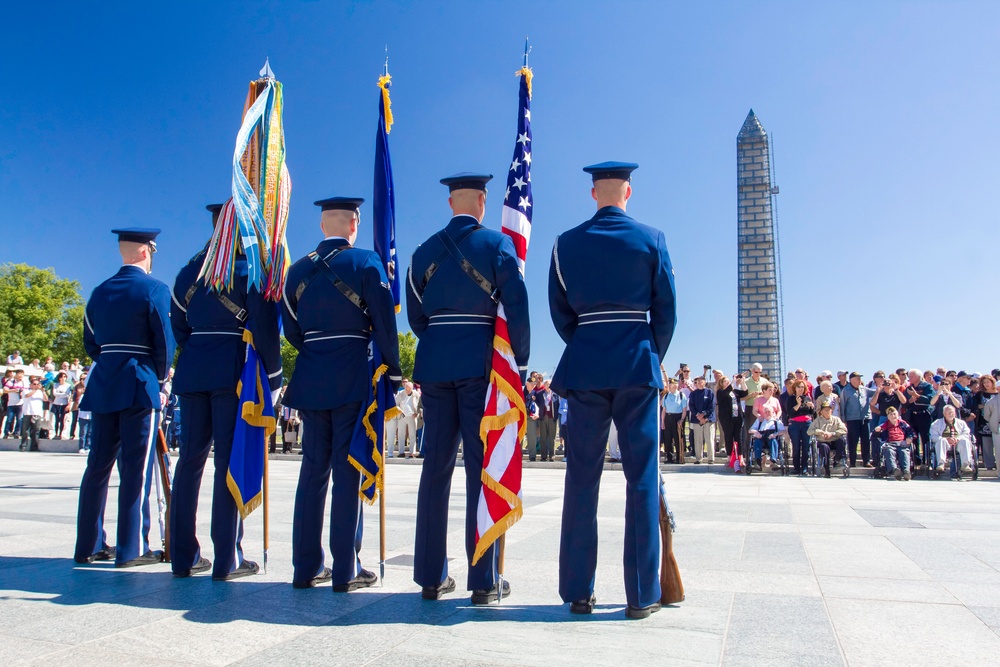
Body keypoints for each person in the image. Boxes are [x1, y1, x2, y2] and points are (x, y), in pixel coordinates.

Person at [548, 161, 676, 619]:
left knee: (581, 477)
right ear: (628, 191)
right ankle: (641, 595)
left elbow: (560, 312)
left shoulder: (565, 244)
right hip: (636, 363)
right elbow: (667, 312)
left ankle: (578, 591)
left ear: (592, 194)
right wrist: (646, 352)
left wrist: (588, 344)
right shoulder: (651, 239)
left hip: (584, 365)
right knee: (641, 477)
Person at [405, 173, 529, 604]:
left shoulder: (422, 253)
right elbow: (516, 302)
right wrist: (521, 360)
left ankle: (430, 577)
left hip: (436, 364)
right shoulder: (497, 245)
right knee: (482, 469)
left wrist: (441, 338)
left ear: (449, 203)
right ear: (480, 200)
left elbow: (416, 318)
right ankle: (484, 581)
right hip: (482, 366)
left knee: (435, 468)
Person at [283, 196, 401, 591]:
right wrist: (393, 372)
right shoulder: (366, 262)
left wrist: (319, 351)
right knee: (348, 471)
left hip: (312, 375)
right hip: (352, 375)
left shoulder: (296, 271)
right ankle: (346, 568)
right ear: (354, 225)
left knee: (312, 473)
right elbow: (384, 322)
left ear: (322, 227)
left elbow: (292, 330)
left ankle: (305, 567)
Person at [168, 202, 283, 580]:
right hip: (233, 369)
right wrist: (274, 376)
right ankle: (226, 558)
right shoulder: (250, 267)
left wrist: (200, 345)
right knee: (226, 463)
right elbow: (265, 328)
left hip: (194, 367)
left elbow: (179, 323)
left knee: (189, 463)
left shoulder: (190, 269)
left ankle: (182, 556)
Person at [74, 227, 175, 567]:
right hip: (138, 382)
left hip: (104, 382)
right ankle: (131, 547)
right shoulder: (154, 289)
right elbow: (164, 340)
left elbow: (90, 341)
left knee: (97, 468)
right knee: (136, 469)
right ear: (147, 251)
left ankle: (88, 544)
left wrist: (109, 361)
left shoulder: (99, 292)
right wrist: (161, 380)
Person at [841, 372, 875, 468]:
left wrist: (881, 387)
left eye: (860, 378)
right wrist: (843, 419)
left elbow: (875, 392)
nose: (859, 380)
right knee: (853, 441)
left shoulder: (864, 389)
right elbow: (842, 404)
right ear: (851, 379)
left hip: (865, 418)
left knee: (866, 440)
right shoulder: (846, 390)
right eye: (857, 378)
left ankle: (866, 461)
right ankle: (852, 461)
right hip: (852, 419)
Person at [807, 399, 848, 476]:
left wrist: (832, 434)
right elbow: (809, 431)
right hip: (823, 441)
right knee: (824, 447)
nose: (827, 411)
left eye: (829, 410)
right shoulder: (817, 421)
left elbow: (844, 430)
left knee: (842, 440)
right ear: (821, 412)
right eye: (825, 410)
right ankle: (827, 469)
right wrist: (820, 432)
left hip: (834, 440)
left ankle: (837, 460)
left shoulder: (836, 420)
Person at [873, 406, 915, 480]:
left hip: (902, 443)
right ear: (888, 417)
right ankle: (894, 470)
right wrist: (876, 431)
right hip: (890, 444)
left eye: (894, 414)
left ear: (898, 415)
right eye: (891, 415)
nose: (893, 416)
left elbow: (911, 432)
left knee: (904, 452)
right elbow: (874, 436)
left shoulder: (903, 424)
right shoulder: (884, 426)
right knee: (888, 451)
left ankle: (906, 472)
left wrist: (910, 437)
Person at [930, 404, 974, 474]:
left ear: (955, 413)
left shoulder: (961, 423)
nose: (951, 414)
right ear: (944, 414)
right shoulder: (936, 423)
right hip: (944, 444)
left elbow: (966, 433)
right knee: (942, 440)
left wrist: (958, 439)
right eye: (948, 412)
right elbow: (933, 436)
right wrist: (946, 439)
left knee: (965, 441)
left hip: (957, 443)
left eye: (952, 412)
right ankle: (941, 464)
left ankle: (965, 465)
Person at [904, 369, 935, 466]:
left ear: (918, 377)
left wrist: (916, 396)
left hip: (924, 415)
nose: (910, 378)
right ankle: (916, 460)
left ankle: (927, 460)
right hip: (912, 415)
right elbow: (904, 403)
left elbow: (930, 400)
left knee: (925, 438)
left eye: (912, 376)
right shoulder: (909, 388)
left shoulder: (927, 386)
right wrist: (911, 400)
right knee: (913, 438)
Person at [785, 380, 815, 475]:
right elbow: (789, 413)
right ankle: (796, 468)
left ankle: (805, 468)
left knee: (806, 446)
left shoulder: (807, 398)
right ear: (795, 388)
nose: (801, 389)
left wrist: (812, 407)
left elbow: (811, 413)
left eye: (802, 387)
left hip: (806, 423)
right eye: (799, 387)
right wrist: (798, 404)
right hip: (795, 424)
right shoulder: (790, 399)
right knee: (796, 447)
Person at [715, 375, 746, 458]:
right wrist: (733, 381)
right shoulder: (720, 392)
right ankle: (730, 456)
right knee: (728, 437)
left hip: (737, 417)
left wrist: (743, 382)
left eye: (728, 381)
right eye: (725, 381)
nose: (727, 382)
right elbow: (726, 392)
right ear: (721, 383)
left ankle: (740, 456)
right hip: (727, 419)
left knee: (738, 437)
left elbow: (745, 392)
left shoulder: (734, 391)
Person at [688, 375, 716, 464]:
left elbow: (712, 406)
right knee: (698, 440)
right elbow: (691, 406)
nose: (699, 383)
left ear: (705, 382)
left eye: (701, 381)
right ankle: (698, 458)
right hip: (697, 420)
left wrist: (704, 415)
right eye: (698, 382)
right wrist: (698, 415)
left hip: (708, 420)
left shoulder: (709, 392)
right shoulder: (693, 394)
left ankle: (711, 458)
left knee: (709, 440)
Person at [747, 405, 785, 470]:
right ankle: (758, 462)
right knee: (757, 441)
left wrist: (775, 434)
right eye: (766, 412)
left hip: (771, 438)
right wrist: (756, 432)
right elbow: (750, 430)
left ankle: (773, 462)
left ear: (773, 412)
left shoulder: (776, 421)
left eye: (769, 411)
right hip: (761, 437)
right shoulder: (760, 420)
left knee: (773, 441)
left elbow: (784, 431)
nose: (767, 413)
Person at [391, 379, 420, 458]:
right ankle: (401, 452)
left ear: (411, 388)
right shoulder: (401, 393)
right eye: (405, 388)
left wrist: (416, 413)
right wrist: (399, 411)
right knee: (401, 434)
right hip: (402, 416)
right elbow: (396, 403)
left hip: (412, 416)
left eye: (408, 389)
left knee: (412, 434)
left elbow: (419, 404)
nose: (406, 390)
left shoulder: (416, 394)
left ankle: (412, 452)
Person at [532, 380, 560, 462]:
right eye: (547, 384)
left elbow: (557, 405)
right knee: (543, 437)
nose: (548, 385)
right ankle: (543, 456)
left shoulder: (555, 394)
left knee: (552, 437)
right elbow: (537, 403)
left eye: (549, 384)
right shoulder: (540, 393)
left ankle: (552, 456)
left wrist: (556, 417)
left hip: (552, 417)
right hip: (543, 417)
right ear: (544, 385)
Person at [662, 377, 688, 463]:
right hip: (668, 417)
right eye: (670, 385)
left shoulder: (681, 395)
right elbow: (664, 410)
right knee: (667, 439)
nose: (671, 386)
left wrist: (682, 419)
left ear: (676, 386)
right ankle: (669, 457)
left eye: (673, 385)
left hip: (678, 417)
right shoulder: (666, 396)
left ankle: (679, 458)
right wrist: (662, 422)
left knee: (678, 438)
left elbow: (684, 410)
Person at [975, 374, 998, 469]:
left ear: (992, 382)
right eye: (984, 382)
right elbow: (975, 406)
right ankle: (989, 464)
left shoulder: (998, 393)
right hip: (984, 422)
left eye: (988, 382)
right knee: (987, 445)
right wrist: (983, 407)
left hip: (997, 421)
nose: (986, 384)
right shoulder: (980, 394)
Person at [19, 376, 46, 452]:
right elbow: (27, 396)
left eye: (37, 384)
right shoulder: (26, 391)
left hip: (37, 413)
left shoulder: (40, 392)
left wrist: (43, 391)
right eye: (34, 384)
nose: (36, 385)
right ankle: (23, 446)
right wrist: (34, 390)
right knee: (25, 431)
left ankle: (34, 447)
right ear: (30, 385)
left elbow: (46, 399)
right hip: (28, 413)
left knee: (36, 431)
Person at [50, 371, 73, 439]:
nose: (63, 378)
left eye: (64, 377)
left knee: (62, 419)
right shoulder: (56, 385)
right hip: (56, 403)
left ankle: (61, 433)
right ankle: (56, 433)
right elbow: (54, 393)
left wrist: (60, 393)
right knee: (56, 419)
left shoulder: (68, 385)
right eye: (62, 377)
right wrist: (62, 393)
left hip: (64, 403)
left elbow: (67, 394)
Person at [3, 368, 25, 438]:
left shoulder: (24, 382)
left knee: (19, 419)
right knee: (9, 419)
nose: (21, 377)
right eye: (19, 375)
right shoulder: (11, 382)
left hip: (20, 403)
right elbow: (5, 390)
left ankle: (17, 433)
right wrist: (13, 390)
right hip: (11, 403)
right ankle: (7, 432)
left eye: (22, 375)